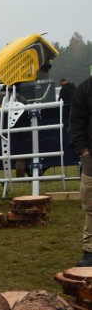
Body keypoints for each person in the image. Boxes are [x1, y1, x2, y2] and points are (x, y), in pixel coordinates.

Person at [68, 76, 92, 266]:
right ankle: (90, 252)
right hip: (91, 155)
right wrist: (83, 150)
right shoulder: (85, 88)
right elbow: (76, 122)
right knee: (91, 205)